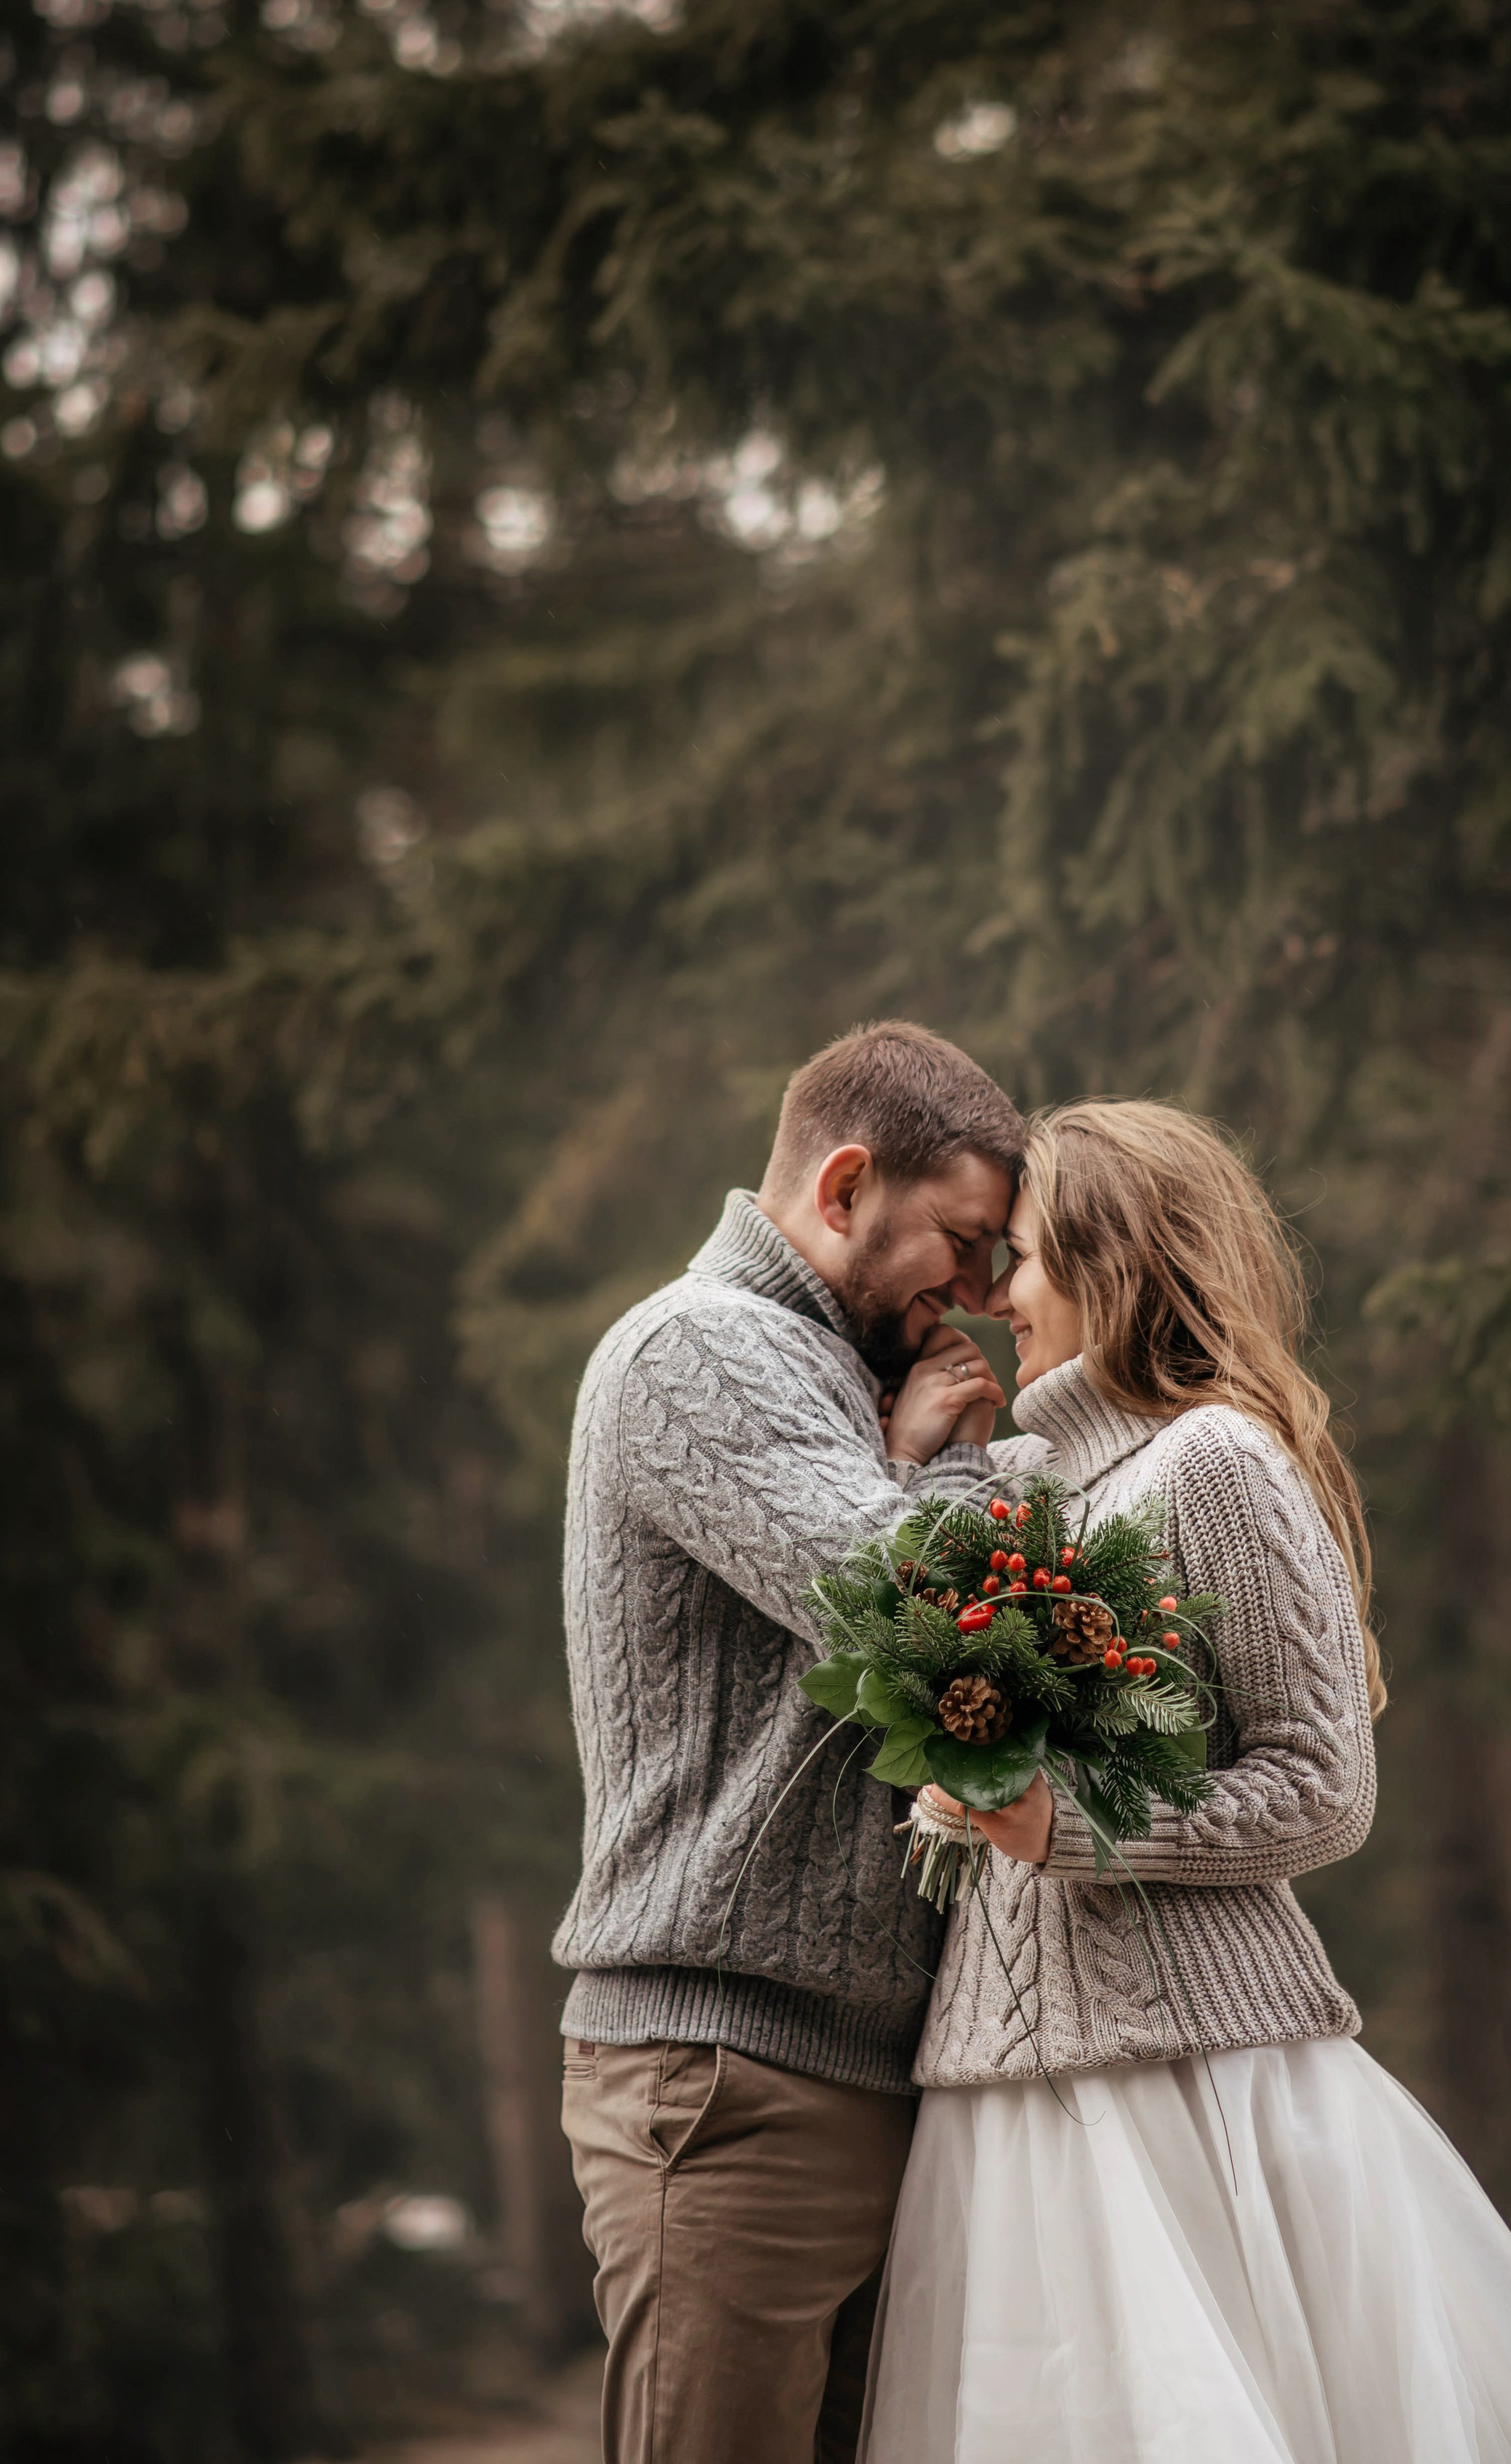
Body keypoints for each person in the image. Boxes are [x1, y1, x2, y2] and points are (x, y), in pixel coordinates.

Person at [859, 1098, 1511, 2464]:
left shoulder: (1216, 1462)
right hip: (997, 2087)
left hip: (1197, 2083)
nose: (998, 1295)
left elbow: (1322, 1785)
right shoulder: (1008, 1486)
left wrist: (1070, 1823)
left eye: (1021, 1257)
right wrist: (904, 1472)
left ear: (1108, 1260)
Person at [555, 1020, 1025, 2464]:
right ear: (841, 1187)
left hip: (858, 2077)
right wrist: (929, 1465)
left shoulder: (830, 1370)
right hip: (727, 2078)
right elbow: (911, 1615)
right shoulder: (696, 1350)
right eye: (960, 1242)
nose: (989, 1296)